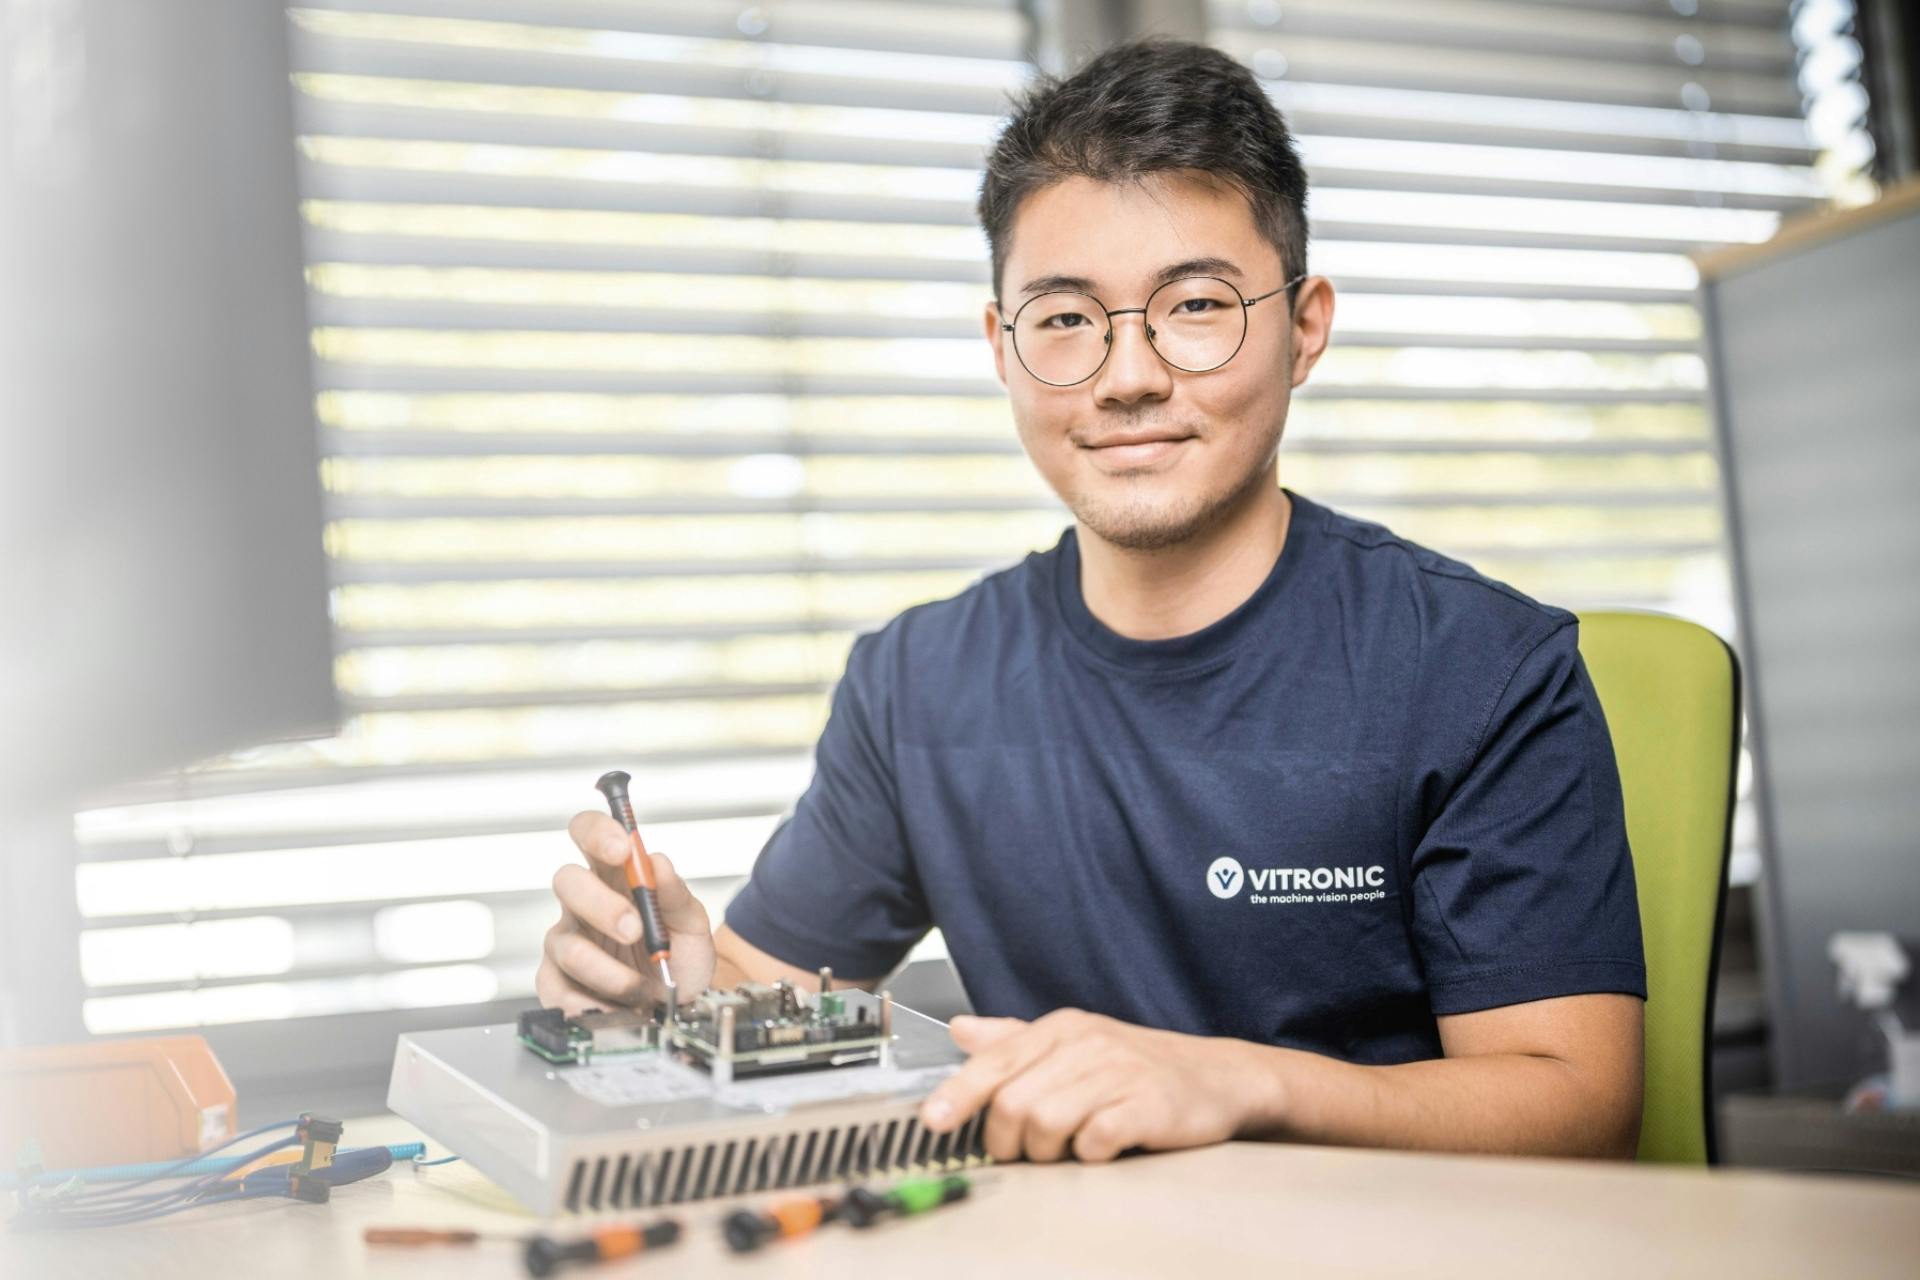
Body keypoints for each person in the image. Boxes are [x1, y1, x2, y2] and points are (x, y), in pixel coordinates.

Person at [536, 39, 1647, 1164]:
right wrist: (659, 999)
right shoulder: (918, 681)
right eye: (1066, 318)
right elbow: (756, 997)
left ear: (1305, 326)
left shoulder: (1480, 665)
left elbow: (1579, 1103)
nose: (1127, 375)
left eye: (1196, 304)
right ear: (1001, 347)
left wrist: (1232, 1080)